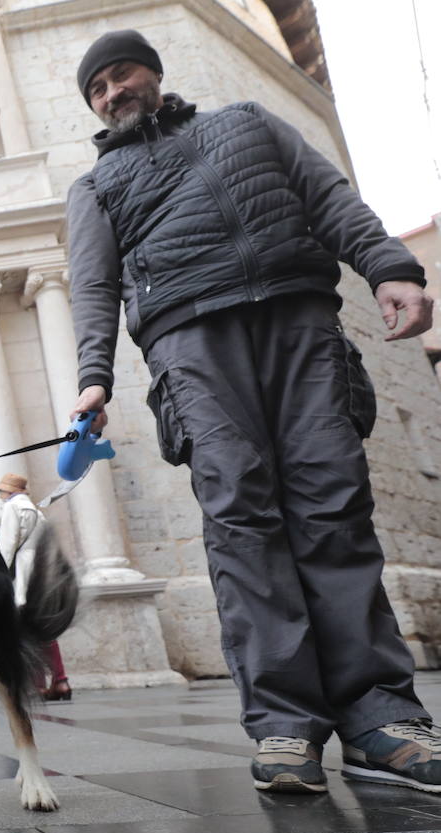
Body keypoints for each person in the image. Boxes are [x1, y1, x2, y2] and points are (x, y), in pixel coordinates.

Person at [67, 30, 438, 794]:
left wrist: (389, 268)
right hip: (188, 344)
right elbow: (93, 287)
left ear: (153, 73)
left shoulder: (246, 122)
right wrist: (93, 378)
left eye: (121, 74)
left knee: (334, 505)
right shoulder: (96, 187)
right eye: (97, 89)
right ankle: (285, 726)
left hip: (300, 321)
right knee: (242, 518)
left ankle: (382, 718)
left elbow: (329, 196)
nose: (112, 93)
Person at [0, 474, 69, 702]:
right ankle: (61, 680)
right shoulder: (36, 510)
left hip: (23, 572)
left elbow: (7, 544)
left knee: (26, 628)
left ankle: (36, 685)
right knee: (44, 629)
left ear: (8, 492)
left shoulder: (11, 508)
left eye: (1, 491)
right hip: (41, 571)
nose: (0, 495)